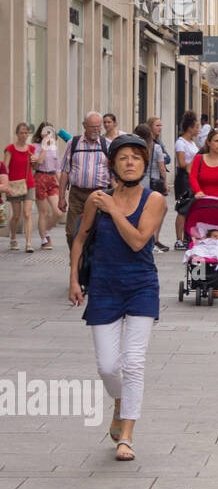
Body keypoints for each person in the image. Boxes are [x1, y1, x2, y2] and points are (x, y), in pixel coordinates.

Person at [68, 134, 164, 463]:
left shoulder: (154, 200)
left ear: (143, 163)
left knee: (133, 363)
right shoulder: (97, 200)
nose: (130, 162)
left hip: (141, 285)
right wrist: (73, 280)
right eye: (123, 157)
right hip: (104, 286)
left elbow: (139, 241)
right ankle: (120, 401)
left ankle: (127, 434)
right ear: (113, 164)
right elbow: (79, 239)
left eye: (136, 157)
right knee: (108, 366)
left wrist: (114, 210)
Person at [58, 112, 112, 250]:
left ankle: (90, 263)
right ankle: (76, 260)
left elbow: (114, 173)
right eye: (93, 127)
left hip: (99, 194)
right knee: (71, 233)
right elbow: (65, 170)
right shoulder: (73, 143)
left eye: (98, 127)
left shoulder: (108, 145)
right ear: (84, 126)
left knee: (98, 233)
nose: (96, 131)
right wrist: (61, 197)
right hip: (77, 194)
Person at [135, 122, 170, 254]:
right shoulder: (156, 148)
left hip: (139, 183)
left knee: (141, 212)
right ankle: (154, 238)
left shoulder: (135, 148)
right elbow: (162, 167)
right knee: (161, 209)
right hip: (153, 184)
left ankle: (145, 238)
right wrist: (165, 184)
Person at [4, 124, 37, 252]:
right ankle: (13, 238)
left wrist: (34, 161)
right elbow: (5, 168)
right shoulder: (10, 149)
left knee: (27, 213)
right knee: (16, 215)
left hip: (29, 183)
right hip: (14, 184)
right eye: (21, 132)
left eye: (26, 133)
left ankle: (28, 243)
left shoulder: (31, 149)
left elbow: (34, 168)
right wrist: (5, 184)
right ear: (17, 133)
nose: (24, 135)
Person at [172, 111, 200, 250]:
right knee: (182, 208)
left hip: (192, 176)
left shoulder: (192, 143)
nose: (198, 130)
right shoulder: (180, 142)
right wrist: (196, 159)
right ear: (190, 128)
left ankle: (186, 236)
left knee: (191, 207)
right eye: (196, 127)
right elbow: (182, 163)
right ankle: (178, 239)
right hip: (184, 177)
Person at [32, 121, 61, 249]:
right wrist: (44, 147)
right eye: (46, 132)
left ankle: (46, 230)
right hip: (40, 177)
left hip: (51, 179)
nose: (48, 135)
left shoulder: (54, 148)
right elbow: (38, 162)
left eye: (50, 132)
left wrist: (62, 184)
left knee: (58, 211)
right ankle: (44, 239)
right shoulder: (35, 146)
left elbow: (57, 168)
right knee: (43, 212)